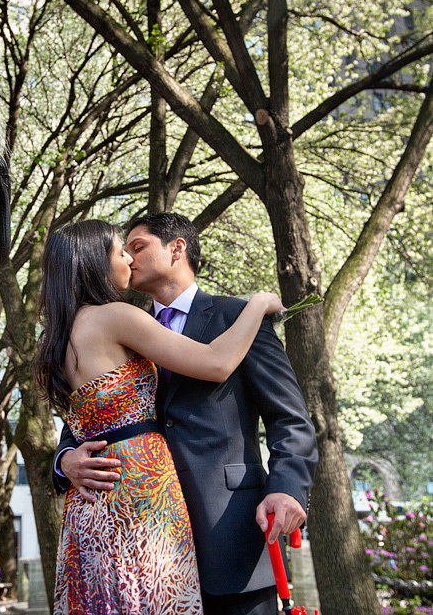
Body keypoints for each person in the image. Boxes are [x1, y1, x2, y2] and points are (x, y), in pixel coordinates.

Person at [52, 213, 318, 615]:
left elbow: (289, 417)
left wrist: (288, 487)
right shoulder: (122, 324)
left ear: (177, 249)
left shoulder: (236, 318)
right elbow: (94, 413)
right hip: (143, 538)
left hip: (229, 534)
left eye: (137, 246)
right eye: (121, 250)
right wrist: (65, 458)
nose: (129, 257)